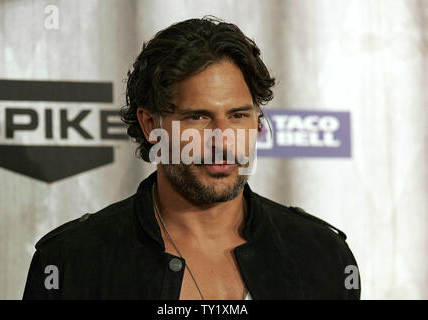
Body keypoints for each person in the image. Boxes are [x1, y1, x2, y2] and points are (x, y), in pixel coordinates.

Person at [23, 17, 360, 300]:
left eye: (238, 116)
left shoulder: (323, 256)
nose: (222, 139)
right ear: (151, 124)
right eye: (198, 117)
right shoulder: (70, 263)